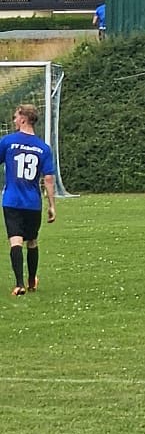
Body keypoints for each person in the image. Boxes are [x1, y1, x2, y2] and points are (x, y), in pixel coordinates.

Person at [2, 104, 56, 296]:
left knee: (15, 241)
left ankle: (19, 285)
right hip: (33, 202)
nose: (14, 120)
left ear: (23, 118)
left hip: (12, 200)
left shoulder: (8, 142)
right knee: (32, 241)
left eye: (16, 117)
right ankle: (32, 281)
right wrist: (51, 205)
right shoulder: (43, 148)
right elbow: (48, 178)